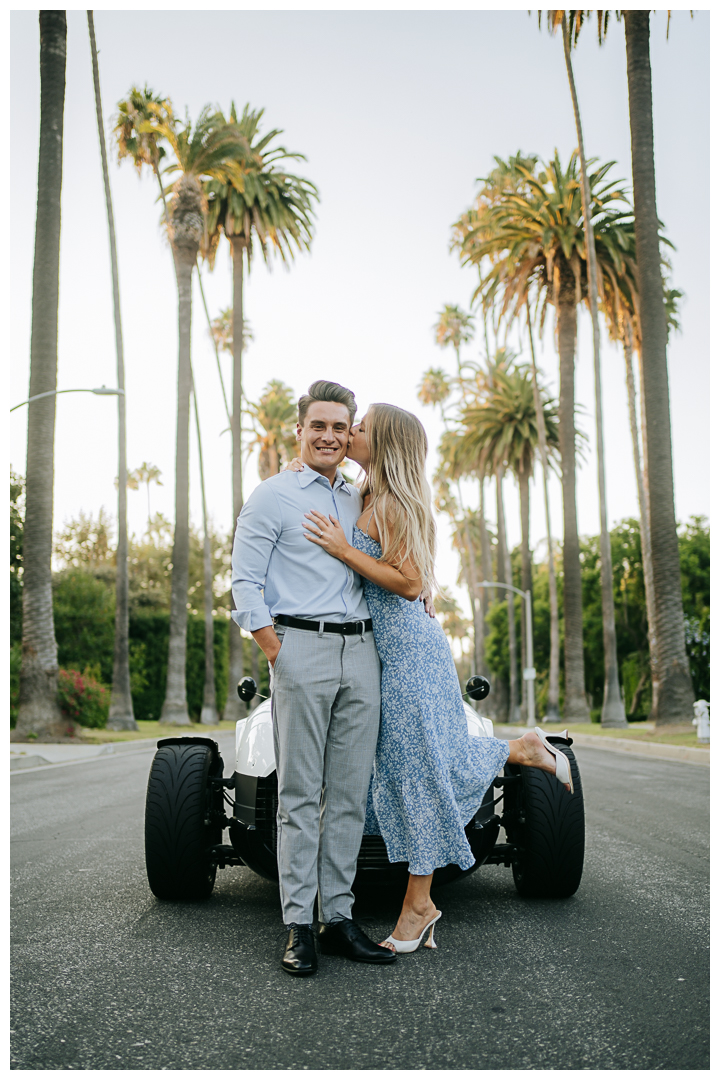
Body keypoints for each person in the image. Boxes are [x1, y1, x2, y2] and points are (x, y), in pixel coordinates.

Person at [298, 403, 574, 953]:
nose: (348, 434)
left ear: (385, 444)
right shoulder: (367, 493)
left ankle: (417, 905)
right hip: (390, 652)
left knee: (419, 771)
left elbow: (408, 583)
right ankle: (521, 749)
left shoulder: (395, 503)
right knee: (420, 762)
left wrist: (342, 549)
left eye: (360, 428)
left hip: (409, 655)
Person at [231, 380, 397, 976]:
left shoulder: (361, 498)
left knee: (350, 796)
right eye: (318, 425)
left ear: (350, 433)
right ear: (299, 431)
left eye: (340, 426)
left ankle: (340, 918)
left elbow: (387, 566)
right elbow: (244, 584)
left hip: (364, 653)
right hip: (300, 647)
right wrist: (276, 647)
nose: (329, 436)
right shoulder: (272, 497)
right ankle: (299, 925)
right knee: (299, 795)